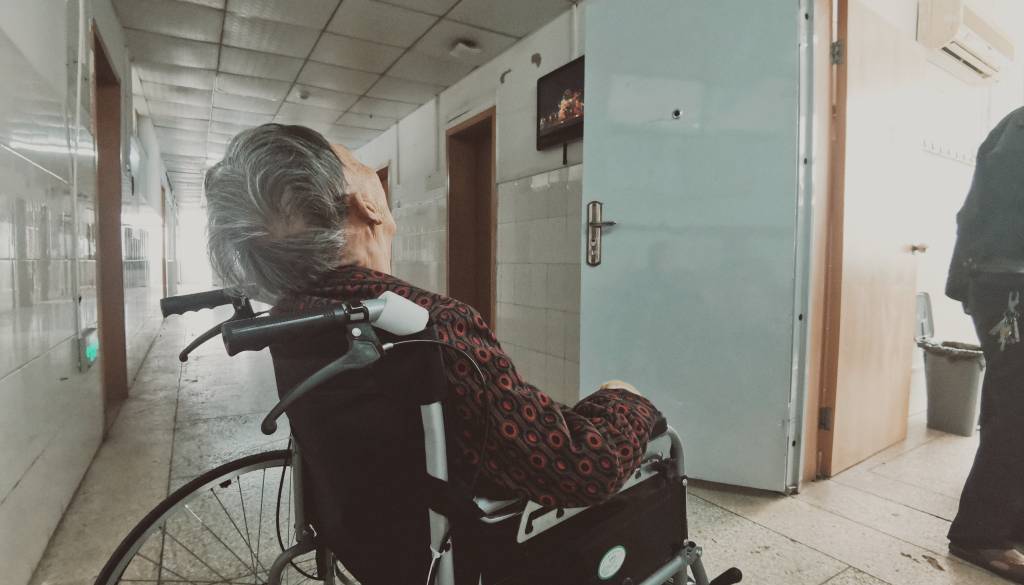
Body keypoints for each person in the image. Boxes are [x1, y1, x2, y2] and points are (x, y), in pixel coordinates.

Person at [203, 123, 663, 582]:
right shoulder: (433, 326)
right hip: (460, 557)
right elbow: (581, 469)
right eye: (359, 163)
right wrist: (623, 399)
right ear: (366, 205)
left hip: (365, 546)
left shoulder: (293, 320)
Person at [946, 106, 1024, 583]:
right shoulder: (1019, 128)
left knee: (1011, 405)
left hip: (1002, 280)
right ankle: (981, 534)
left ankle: (1008, 520)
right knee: (1016, 411)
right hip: (1010, 284)